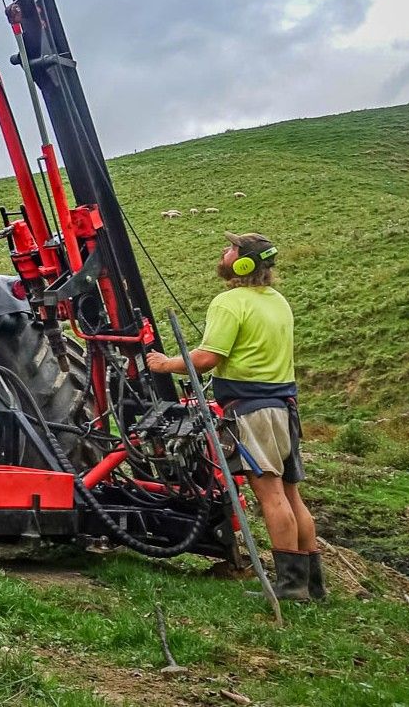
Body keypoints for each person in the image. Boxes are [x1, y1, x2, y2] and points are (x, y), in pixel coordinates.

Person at [144, 232, 325, 602]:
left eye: (230, 250)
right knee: (292, 494)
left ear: (243, 263)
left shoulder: (230, 302)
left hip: (252, 409)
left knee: (271, 494)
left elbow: (208, 357)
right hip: (285, 407)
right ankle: (314, 583)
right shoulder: (278, 301)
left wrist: (165, 364)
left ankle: (290, 587)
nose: (223, 253)